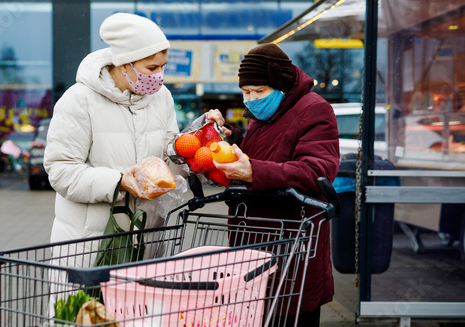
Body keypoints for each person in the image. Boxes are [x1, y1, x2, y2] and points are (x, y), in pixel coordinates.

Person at [211, 43, 340, 326]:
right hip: (256, 245)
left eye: (260, 91)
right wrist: (229, 139)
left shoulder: (314, 109)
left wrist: (253, 171)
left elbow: (317, 171)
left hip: (293, 246)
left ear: (282, 85)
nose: (251, 99)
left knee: (288, 315)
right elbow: (264, 154)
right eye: (246, 92)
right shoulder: (265, 115)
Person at [44, 12, 184, 257]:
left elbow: (170, 157)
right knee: (89, 298)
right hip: (90, 247)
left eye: (163, 67)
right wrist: (118, 181)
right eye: (152, 68)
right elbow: (61, 170)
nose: (159, 76)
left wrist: (196, 146)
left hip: (146, 245)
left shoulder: (162, 98)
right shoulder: (79, 100)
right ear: (124, 64)